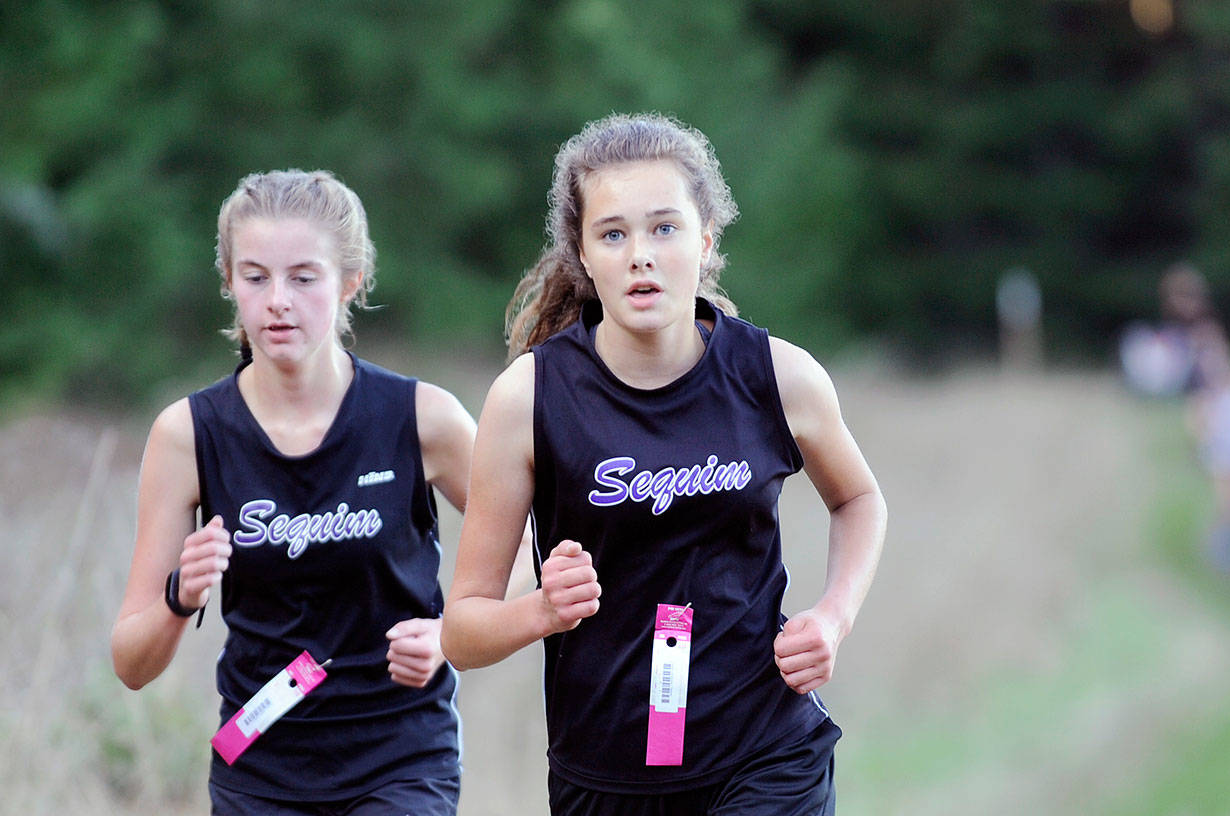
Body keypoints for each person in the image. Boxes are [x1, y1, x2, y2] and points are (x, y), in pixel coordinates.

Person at [441, 113, 887, 816]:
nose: (640, 255)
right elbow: (461, 634)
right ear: (583, 255)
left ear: (706, 240)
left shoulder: (778, 377)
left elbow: (860, 500)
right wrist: (541, 610)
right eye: (613, 234)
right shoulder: (528, 398)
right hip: (606, 774)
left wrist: (832, 617)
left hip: (765, 752)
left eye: (664, 228)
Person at [110, 169, 476, 814]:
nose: (278, 300)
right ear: (229, 282)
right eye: (256, 277)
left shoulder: (423, 417)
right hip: (260, 766)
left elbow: (540, 557)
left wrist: (448, 634)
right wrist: (180, 594)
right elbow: (131, 664)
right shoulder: (189, 433)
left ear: (350, 283)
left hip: (401, 758)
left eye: (304, 277)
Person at [1158, 262, 1230, 573]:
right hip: (1213, 416)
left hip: (1229, 413)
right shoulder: (1179, 338)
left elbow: (1227, 372)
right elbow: (1195, 387)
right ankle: (1219, 554)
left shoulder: (1207, 331)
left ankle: (1224, 552)